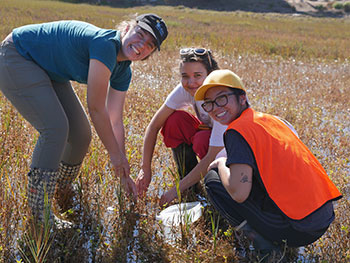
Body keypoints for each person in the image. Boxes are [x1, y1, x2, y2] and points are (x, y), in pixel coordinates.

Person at [0, 14, 168, 223]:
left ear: (149, 53)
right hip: (18, 55)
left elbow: (115, 119)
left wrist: (123, 170)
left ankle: (61, 187)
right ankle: (39, 214)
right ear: (127, 29)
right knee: (56, 129)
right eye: (140, 34)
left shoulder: (123, 70)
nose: (141, 45)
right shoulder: (106, 45)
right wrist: (115, 157)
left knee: (80, 134)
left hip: (49, 70)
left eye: (150, 45)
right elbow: (97, 109)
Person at [194, 69, 342, 255]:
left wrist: (222, 163)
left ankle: (264, 246)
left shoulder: (237, 131)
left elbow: (239, 193)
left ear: (242, 98)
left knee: (213, 180)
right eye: (209, 104)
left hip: (298, 227)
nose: (216, 108)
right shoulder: (270, 120)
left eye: (222, 98)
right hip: (323, 218)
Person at [135, 48, 227, 206]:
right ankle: (191, 186)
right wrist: (145, 169)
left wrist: (175, 191)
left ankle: (218, 191)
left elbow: (212, 155)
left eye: (198, 76)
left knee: (202, 140)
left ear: (210, 75)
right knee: (174, 121)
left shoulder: (221, 98)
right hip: (213, 139)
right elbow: (154, 125)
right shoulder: (187, 89)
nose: (191, 83)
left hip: (234, 149)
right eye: (185, 76)